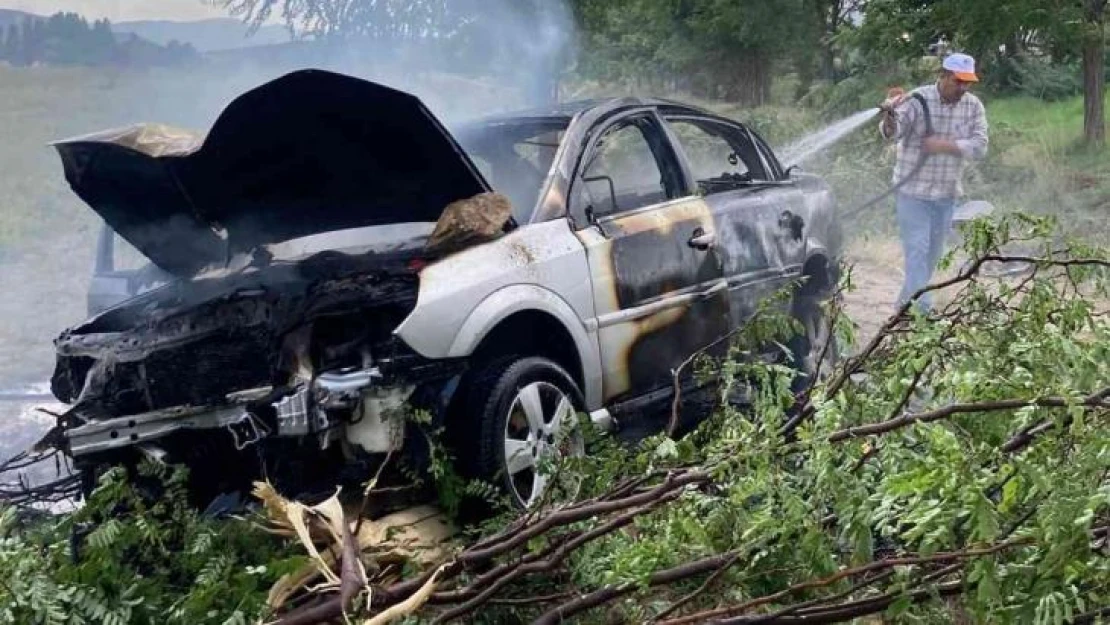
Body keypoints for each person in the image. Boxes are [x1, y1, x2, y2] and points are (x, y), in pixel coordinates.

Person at [879, 52, 989, 312]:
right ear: (943, 76)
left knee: (932, 257)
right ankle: (924, 312)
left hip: (947, 193)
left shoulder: (973, 106)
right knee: (917, 249)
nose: (963, 87)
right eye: (958, 81)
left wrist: (943, 146)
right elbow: (891, 134)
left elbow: (981, 146)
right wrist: (889, 114)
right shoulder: (917, 100)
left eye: (967, 82)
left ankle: (904, 305)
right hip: (912, 193)